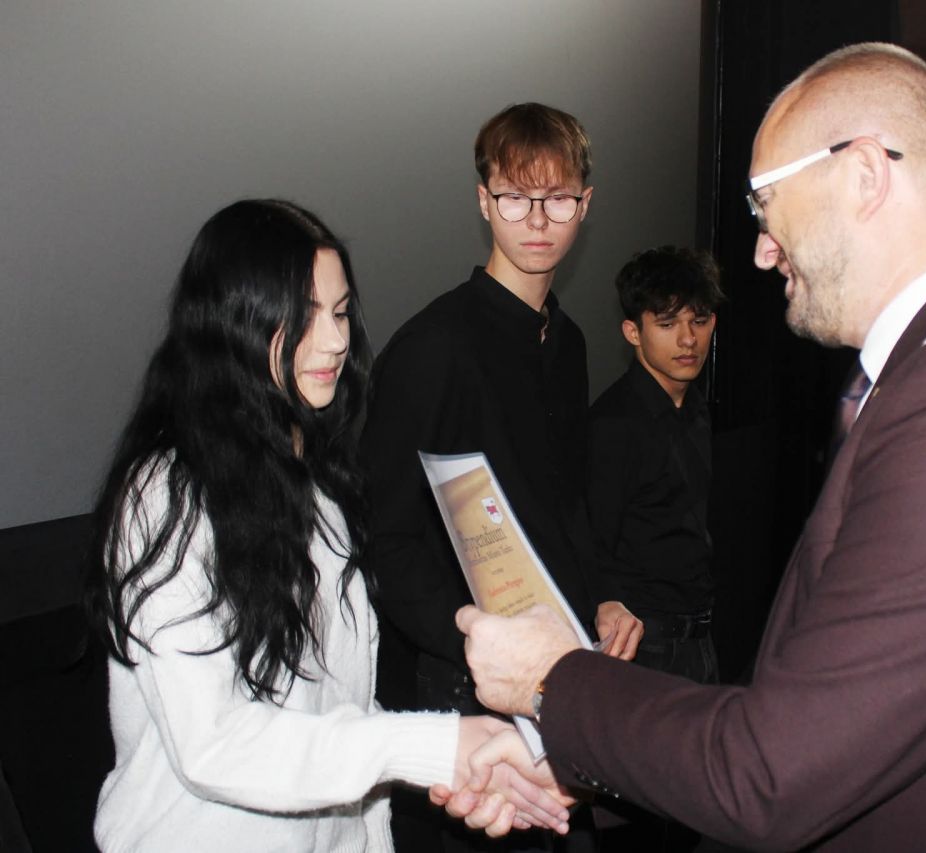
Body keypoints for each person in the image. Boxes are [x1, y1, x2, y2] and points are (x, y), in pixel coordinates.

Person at [450, 43, 926, 851]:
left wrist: (553, 683)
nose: (762, 249)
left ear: (864, 175)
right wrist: (572, 757)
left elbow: (771, 774)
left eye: (765, 205)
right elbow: (844, 719)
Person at [86, 199, 570, 852]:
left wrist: (467, 758)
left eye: (340, 313)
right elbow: (214, 742)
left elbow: (337, 713)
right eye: (304, 316)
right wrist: (435, 746)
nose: (337, 340)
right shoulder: (166, 498)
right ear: (234, 324)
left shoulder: (318, 483)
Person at [361, 103, 641, 850]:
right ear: (484, 201)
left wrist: (603, 595)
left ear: (586, 204)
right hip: (461, 681)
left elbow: (565, 504)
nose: (537, 219)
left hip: (554, 666)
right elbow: (385, 539)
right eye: (516, 197)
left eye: (558, 199)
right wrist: (475, 641)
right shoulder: (432, 347)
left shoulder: (569, 342)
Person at [585, 247, 723, 851]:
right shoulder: (613, 424)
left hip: (700, 642)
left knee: (691, 822)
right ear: (632, 331)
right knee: (636, 832)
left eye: (699, 319)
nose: (688, 339)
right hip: (641, 649)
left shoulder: (698, 411)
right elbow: (588, 542)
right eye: (667, 323)